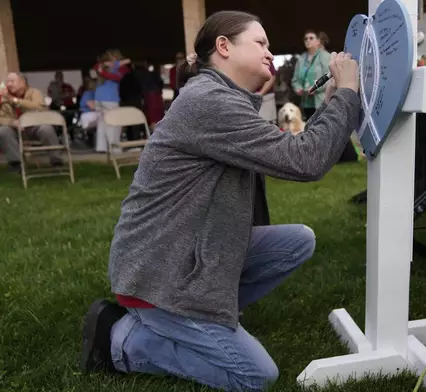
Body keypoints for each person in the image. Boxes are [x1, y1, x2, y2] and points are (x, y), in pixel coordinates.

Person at [80, 10, 360, 392]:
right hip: (158, 276)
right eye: (260, 43)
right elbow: (305, 160)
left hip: (188, 254)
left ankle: (210, 317)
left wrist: (331, 103)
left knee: (299, 241)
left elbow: (299, 151)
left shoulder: (220, 97)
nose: (270, 53)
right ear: (224, 47)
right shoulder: (209, 102)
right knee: (256, 376)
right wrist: (346, 91)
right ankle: (123, 340)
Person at [0, 72, 63, 172]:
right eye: (8, 82)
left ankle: (56, 160)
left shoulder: (34, 92)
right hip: (14, 130)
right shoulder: (3, 98)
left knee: (46, 128)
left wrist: (15, 100)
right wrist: (12, 122)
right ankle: (16, 162)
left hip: (33, 128)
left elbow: (40, 108)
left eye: (12, 81)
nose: (9, 84)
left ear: (22, 82)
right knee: (3, 131)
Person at [291, 30, 331, 120]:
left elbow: (330, 77)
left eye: (311, 38)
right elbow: (295, 80)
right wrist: (297, 88)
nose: (308, 40)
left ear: (318, 41)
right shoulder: (301, 59)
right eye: (306, 39)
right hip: (305, 102)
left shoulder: (325, 56)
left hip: (321, 101)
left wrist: (316, 88)